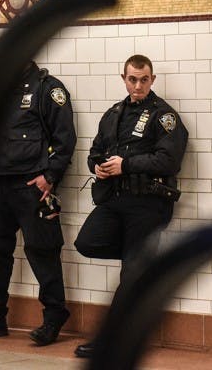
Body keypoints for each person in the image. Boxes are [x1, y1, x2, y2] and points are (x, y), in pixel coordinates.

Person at [73, 54, 188, 358]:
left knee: (131, 274)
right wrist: (97, 167)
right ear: (123, 78)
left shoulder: (164, 116)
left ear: (152, 80)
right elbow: (95, 152)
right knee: (87, 242)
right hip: (116, 200)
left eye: (144, 79)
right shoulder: (113, 114)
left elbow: (169, 160)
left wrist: (127, 165)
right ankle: (139, 260)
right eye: (132, 79)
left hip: (148, 203)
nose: (138, 85)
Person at [0, 61, 76, 346]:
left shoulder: (48, 89)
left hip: (31, 187)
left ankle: (53, 318)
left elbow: (65, 138)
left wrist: (49, 176)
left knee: (43, 251)